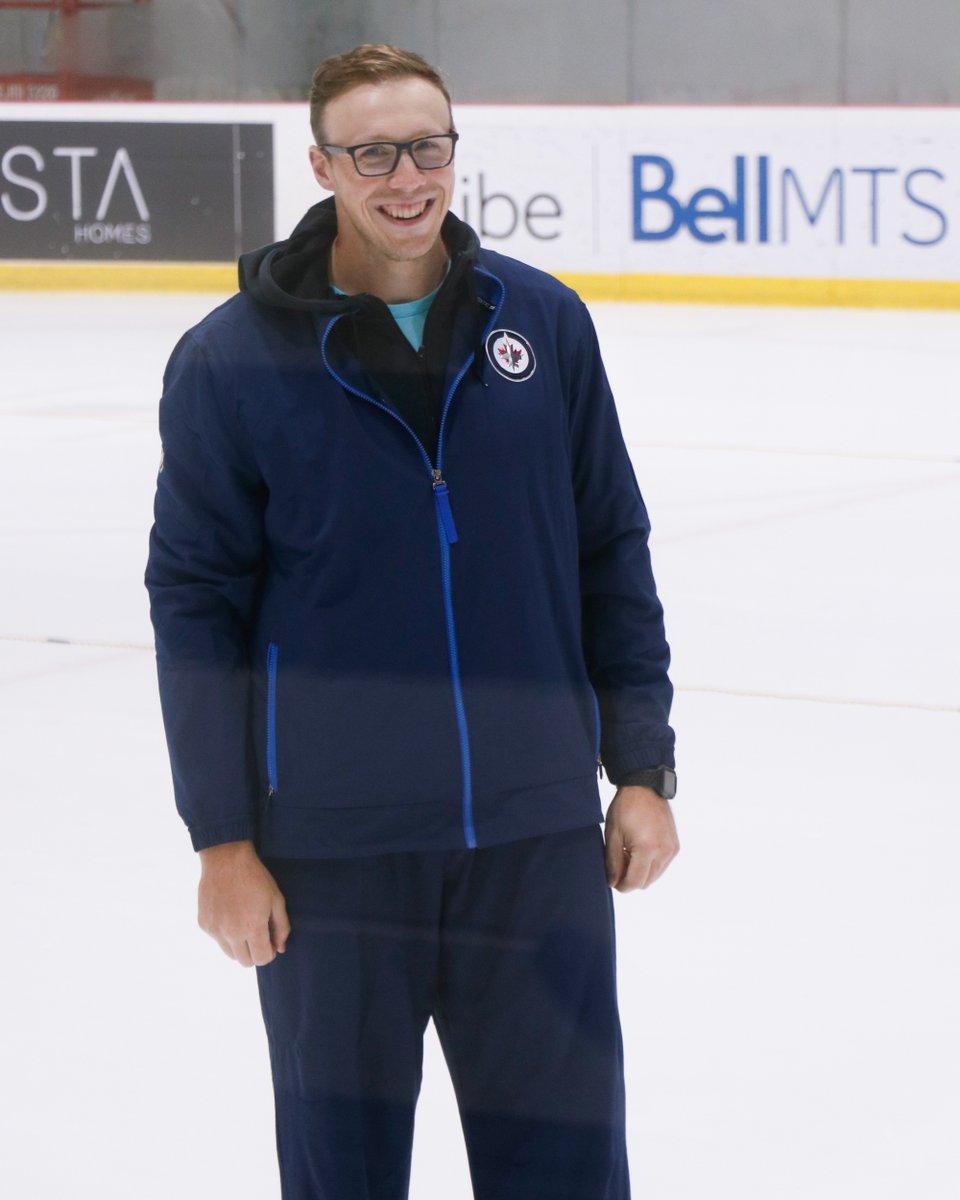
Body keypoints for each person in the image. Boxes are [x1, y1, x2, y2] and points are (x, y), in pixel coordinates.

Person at [146, 43, 679, 1200]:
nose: (405, 178)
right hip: (333, 856)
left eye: (426, 147)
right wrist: (221, 840)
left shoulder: (542, 325)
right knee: (344, 1177)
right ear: (324, 164)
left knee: (568, 1169)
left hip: (536, 842)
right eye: (372, 152)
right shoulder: (230, 364)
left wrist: (641, 765)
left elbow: (609, 548)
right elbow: (195, 609)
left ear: (452, 151)